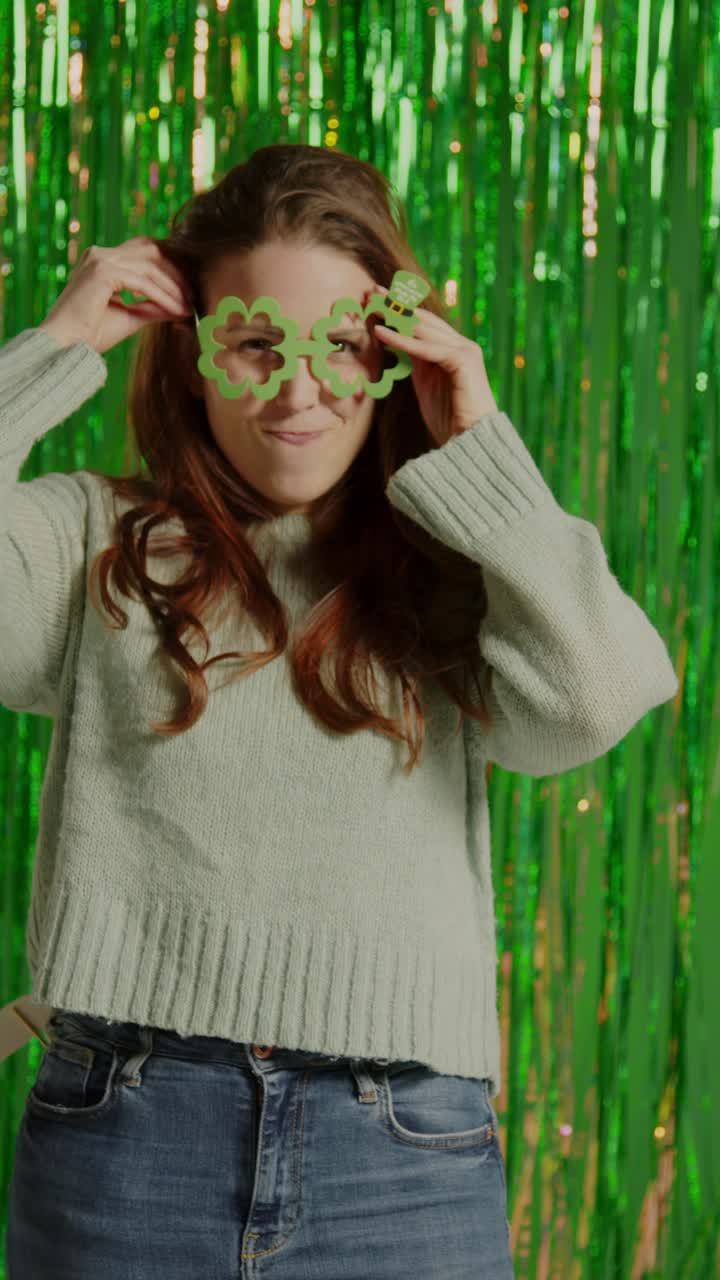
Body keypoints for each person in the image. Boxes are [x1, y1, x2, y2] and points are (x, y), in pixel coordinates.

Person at [2, 144, 677, 1277]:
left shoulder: (459, 566)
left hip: (403, 1148)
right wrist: (58, 345)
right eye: (258, 344)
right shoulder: (91, 543)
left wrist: (478, 447)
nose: (300, 389)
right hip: (128, 1130)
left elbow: (597, 701)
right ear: (194, 352)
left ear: (395, 354)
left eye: (343, 349)